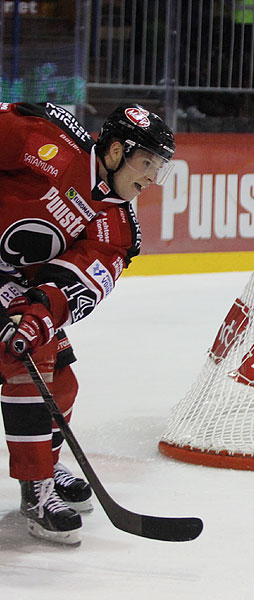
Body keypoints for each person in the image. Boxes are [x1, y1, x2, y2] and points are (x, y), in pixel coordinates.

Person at [0, 102, 175, 545]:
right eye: (147, 162)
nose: (152, 177)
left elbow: (75, 284)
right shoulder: (45, 140)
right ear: (116, 151)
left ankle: (43, 461)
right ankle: (35, 487)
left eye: (159, 167)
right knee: (29, 362)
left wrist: (36, 317)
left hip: (10, 282)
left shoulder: (117, 225)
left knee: (59, 380)